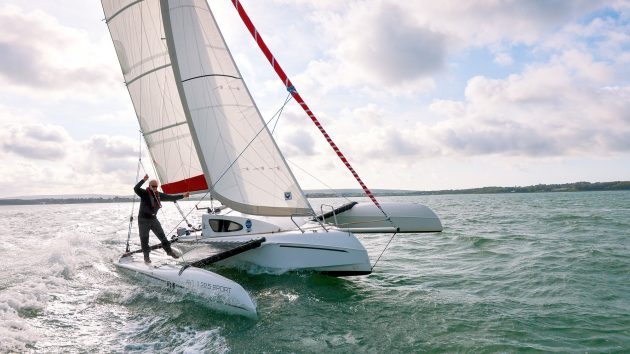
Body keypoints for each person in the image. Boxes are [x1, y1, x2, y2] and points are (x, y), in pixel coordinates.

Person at [134, 174, 190, 264]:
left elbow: (171, 197)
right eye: (153, 186)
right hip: (143, 220)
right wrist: (143, 180)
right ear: (149, 186)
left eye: (156, 186)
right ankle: (146, 257)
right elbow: (135, 189)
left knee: (162, 237)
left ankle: (169, 251)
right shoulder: (144, 193)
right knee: (144, 239)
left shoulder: (159, 195)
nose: (155, 188)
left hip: (153, 219)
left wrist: (183, 196)